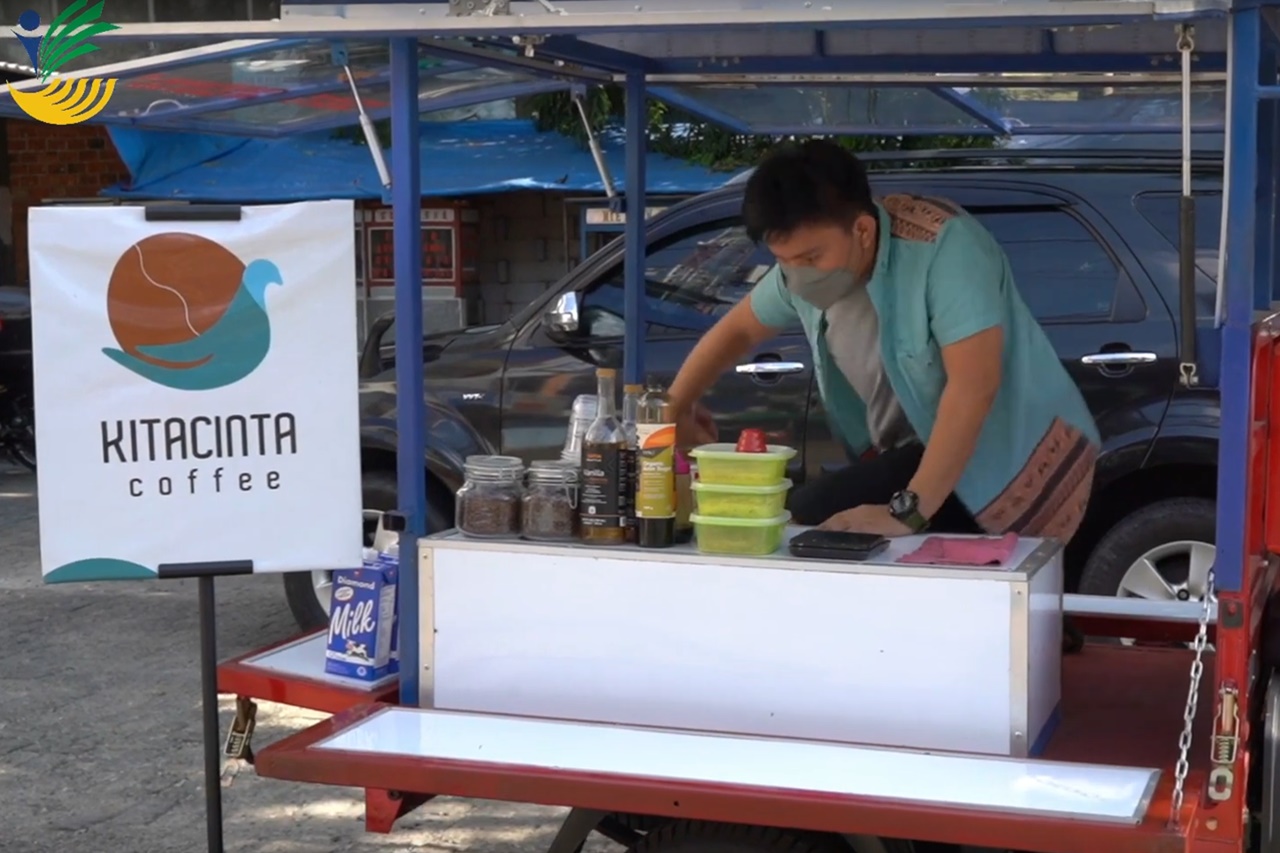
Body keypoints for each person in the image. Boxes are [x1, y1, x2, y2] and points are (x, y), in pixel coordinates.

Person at [669, 139, 1101, 542]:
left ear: (862, 231)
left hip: (1016, 460)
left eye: (811, 258)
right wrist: (675, 411)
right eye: (784, 261)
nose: (797, 275)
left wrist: (906, 514)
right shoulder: (803, 273)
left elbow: (974, 387)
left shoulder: (946, 247)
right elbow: (738, 329)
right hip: (920, 455)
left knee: (807, 517)